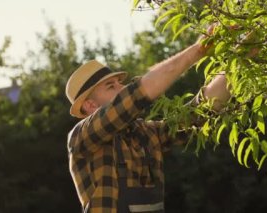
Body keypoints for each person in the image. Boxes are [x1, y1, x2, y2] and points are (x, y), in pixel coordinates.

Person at [65, 26, 231, 212]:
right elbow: (136, 95)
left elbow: (197, 114)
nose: (122, 88)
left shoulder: (145, 133)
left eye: (121, 83)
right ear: (90, 106)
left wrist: (237, 68)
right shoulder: (81, 137)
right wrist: (198, 50)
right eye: (111, 86)